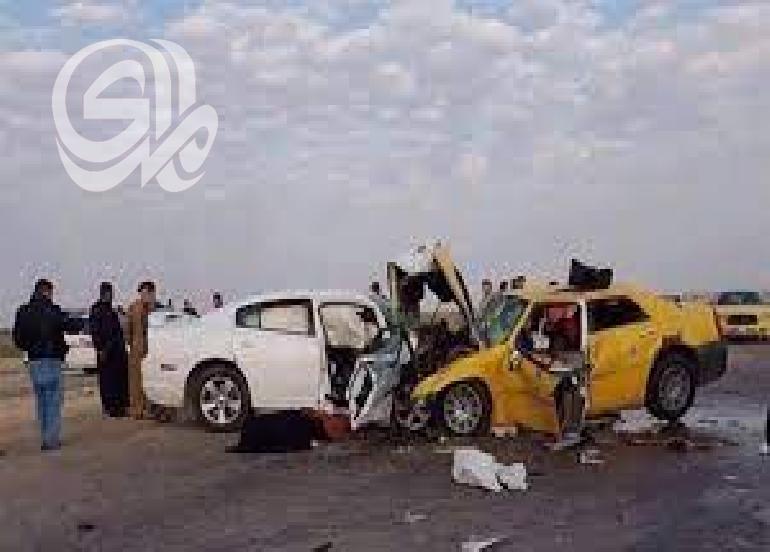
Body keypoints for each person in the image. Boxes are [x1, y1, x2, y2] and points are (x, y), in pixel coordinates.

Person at [12, 279, 70, 451]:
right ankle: (51, 440)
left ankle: (46, 436)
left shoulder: (23, 311)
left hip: (34, 360)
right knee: (53, 401)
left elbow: (18, 339)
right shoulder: (53, 310)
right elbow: (67, 325)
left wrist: (29, 348)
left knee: (42, 401)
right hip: (52, 359)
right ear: (46, 291)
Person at [89, 282, 129, 418]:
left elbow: (117, 332)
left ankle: (118, 407)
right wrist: (101, 349)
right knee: (108, 381)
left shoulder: (111, 310)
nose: (111, 295)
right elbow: (95, 331)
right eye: (109, 293)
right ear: (105, 294)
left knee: (118, 380)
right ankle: (110, 407)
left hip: (117, 352)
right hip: (106, 351)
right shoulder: (97, 310)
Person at [126, 281, 156, 420]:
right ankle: (137, 409)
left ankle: (153, 408)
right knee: (136, 381)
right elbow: (128, 329)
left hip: (153, 349)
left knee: (152, 379)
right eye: (142, 293)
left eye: (147, 293)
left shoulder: (156, 310)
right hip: (137, 349)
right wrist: (131, 344)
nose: (144, 295)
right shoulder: (133, 307)